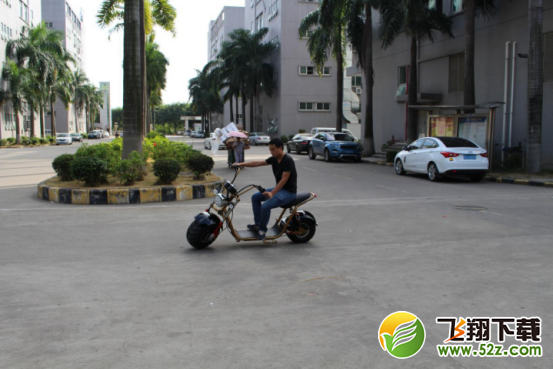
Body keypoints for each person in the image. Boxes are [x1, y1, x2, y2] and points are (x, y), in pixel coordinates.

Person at [234, 138, 297, 240]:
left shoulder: (288, 160)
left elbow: (284, 180)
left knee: (266, 206)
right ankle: (258, 224)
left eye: (273, 149)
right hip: (279, 190)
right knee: (255, 197)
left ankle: (262, 229)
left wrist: (272, 193)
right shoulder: (274, 159)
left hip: (288, 192)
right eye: (270, 150)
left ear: (280, 148)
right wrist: (241, 164)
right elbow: (257, 163)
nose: (271, 152)